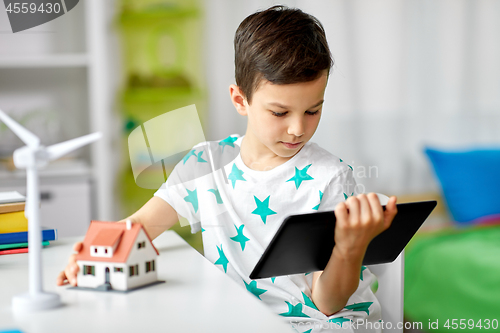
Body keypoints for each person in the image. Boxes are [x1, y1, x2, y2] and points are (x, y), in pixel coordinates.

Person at [57, 5, 397, 333]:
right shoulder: (204, 164)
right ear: (239, 100)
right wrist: (92, 253)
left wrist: (350, 249)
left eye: (312, 111)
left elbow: (328, 303)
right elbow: (141, 225)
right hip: (238, 318)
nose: (298, 129)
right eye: (280, 113)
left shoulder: (331, 178)